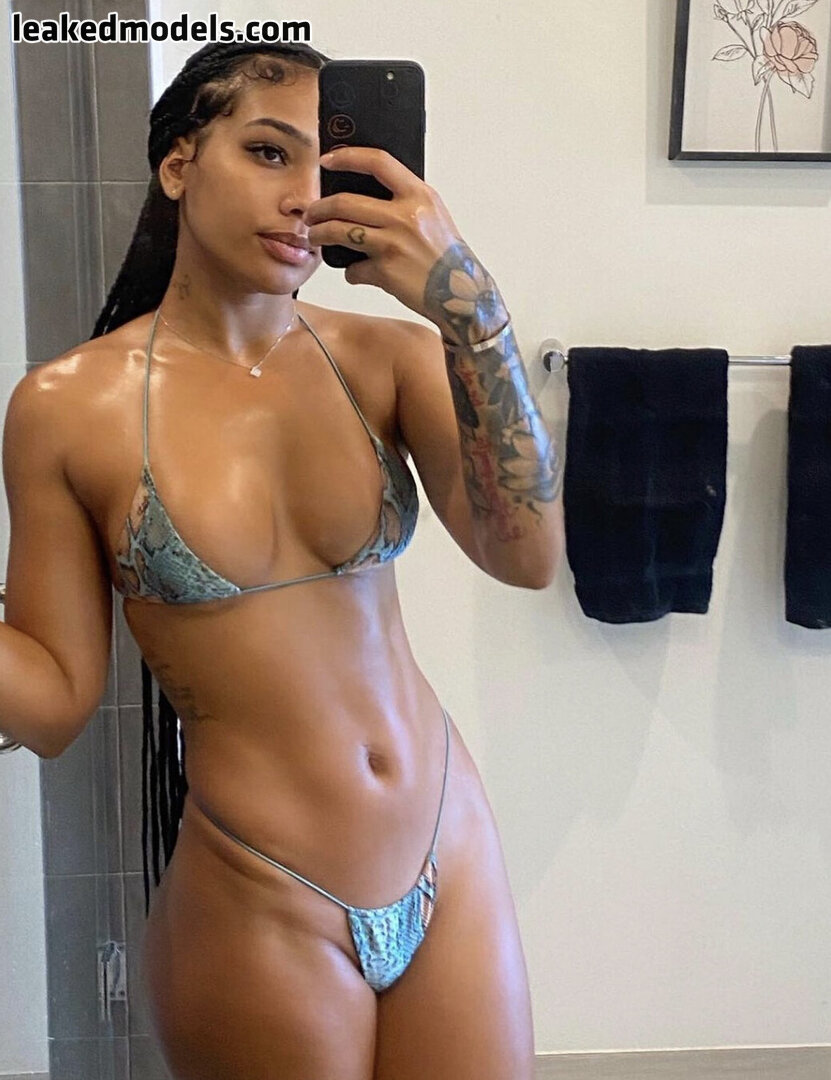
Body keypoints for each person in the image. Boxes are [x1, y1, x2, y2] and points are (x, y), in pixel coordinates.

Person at [1, 39, 563, 1080]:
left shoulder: (389, 360)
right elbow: (53, 701)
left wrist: (473, 311)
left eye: (327, 165)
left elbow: (526, 555)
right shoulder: (68, 408)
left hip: (449, 847)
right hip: (261, 885)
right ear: (180, 164)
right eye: (268, 153)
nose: (305, 196)